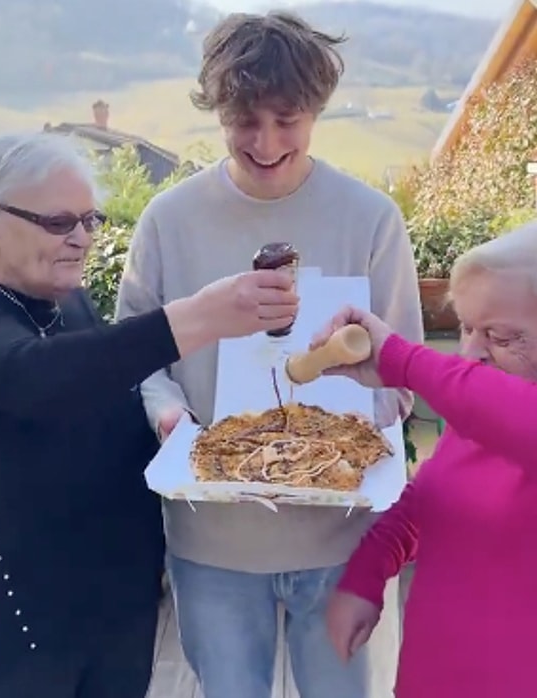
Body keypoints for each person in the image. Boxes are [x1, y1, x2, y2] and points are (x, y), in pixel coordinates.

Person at [116, 11, 423, 698]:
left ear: (315, 110)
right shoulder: (169, 219)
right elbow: (137, 351)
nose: (266, 141)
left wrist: (357, 434)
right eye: (244, 120)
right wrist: (170, 416)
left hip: (340, 540)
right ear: (218, 111)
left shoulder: (371, 219)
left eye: (287, 119)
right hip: (213, 541)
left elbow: (402, 368)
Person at [0, 131, 298, 698]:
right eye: (58, 222)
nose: (80, 239)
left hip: (111, 629)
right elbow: (38, 378)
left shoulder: (70, 304)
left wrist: (190, 437)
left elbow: (99, 398)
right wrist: (197, 318)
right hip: (6, 643)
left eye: (89, 220)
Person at [319, 220, 537, 698]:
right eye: (466, 327)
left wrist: (402, 359)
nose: (469, 353)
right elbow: (431, 500)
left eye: (501, 337)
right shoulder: (477, 420)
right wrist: (366, 575)